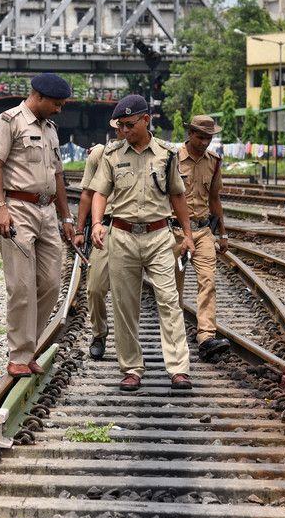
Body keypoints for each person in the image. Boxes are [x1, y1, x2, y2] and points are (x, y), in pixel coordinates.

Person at [89, 95, 196, 392]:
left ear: (146, 120)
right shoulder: (111, 155)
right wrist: (97, 224)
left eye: (129, 124)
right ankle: (132, 368)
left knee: (169, 301)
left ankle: (178, 368)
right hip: (121, 236)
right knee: (125, 306)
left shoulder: (166, 153)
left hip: (159, 236)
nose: (124, 130)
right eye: (120, 126)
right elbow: (99, 192)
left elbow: (177, 195)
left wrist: (187, 235)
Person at [0, 73, 77, 378]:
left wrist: (66, 217)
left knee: (50, 284)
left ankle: (29, 347)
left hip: (47, 211)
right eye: (57, 104)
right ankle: (20, 354)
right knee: (21, 286)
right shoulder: (8, 121)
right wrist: (0, 208)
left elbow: (58, 175)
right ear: (39, 96)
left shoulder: (50, 129)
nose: (59, 109)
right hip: (17, 209)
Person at [173, 115, 230, 360]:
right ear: (190, 134)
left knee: (208, 281)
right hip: (174, 232)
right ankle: (174, 336)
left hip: (203, 231)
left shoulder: (214, 162)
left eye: (209, 138)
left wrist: (223, 234)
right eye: (200, 137)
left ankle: (206, 336)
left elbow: (215, 198)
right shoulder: (172, 158)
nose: (205, 142)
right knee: (173, 287)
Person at [73, 117, 123, 361]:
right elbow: (87, 195)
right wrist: (80, 230)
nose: (123, 131)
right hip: (104, 226)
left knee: (129, 291)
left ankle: (128, 341)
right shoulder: (99, 154)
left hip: (135, 228)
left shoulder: (151, 154)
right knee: (95, 287)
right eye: (119, 126)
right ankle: (99, 332)